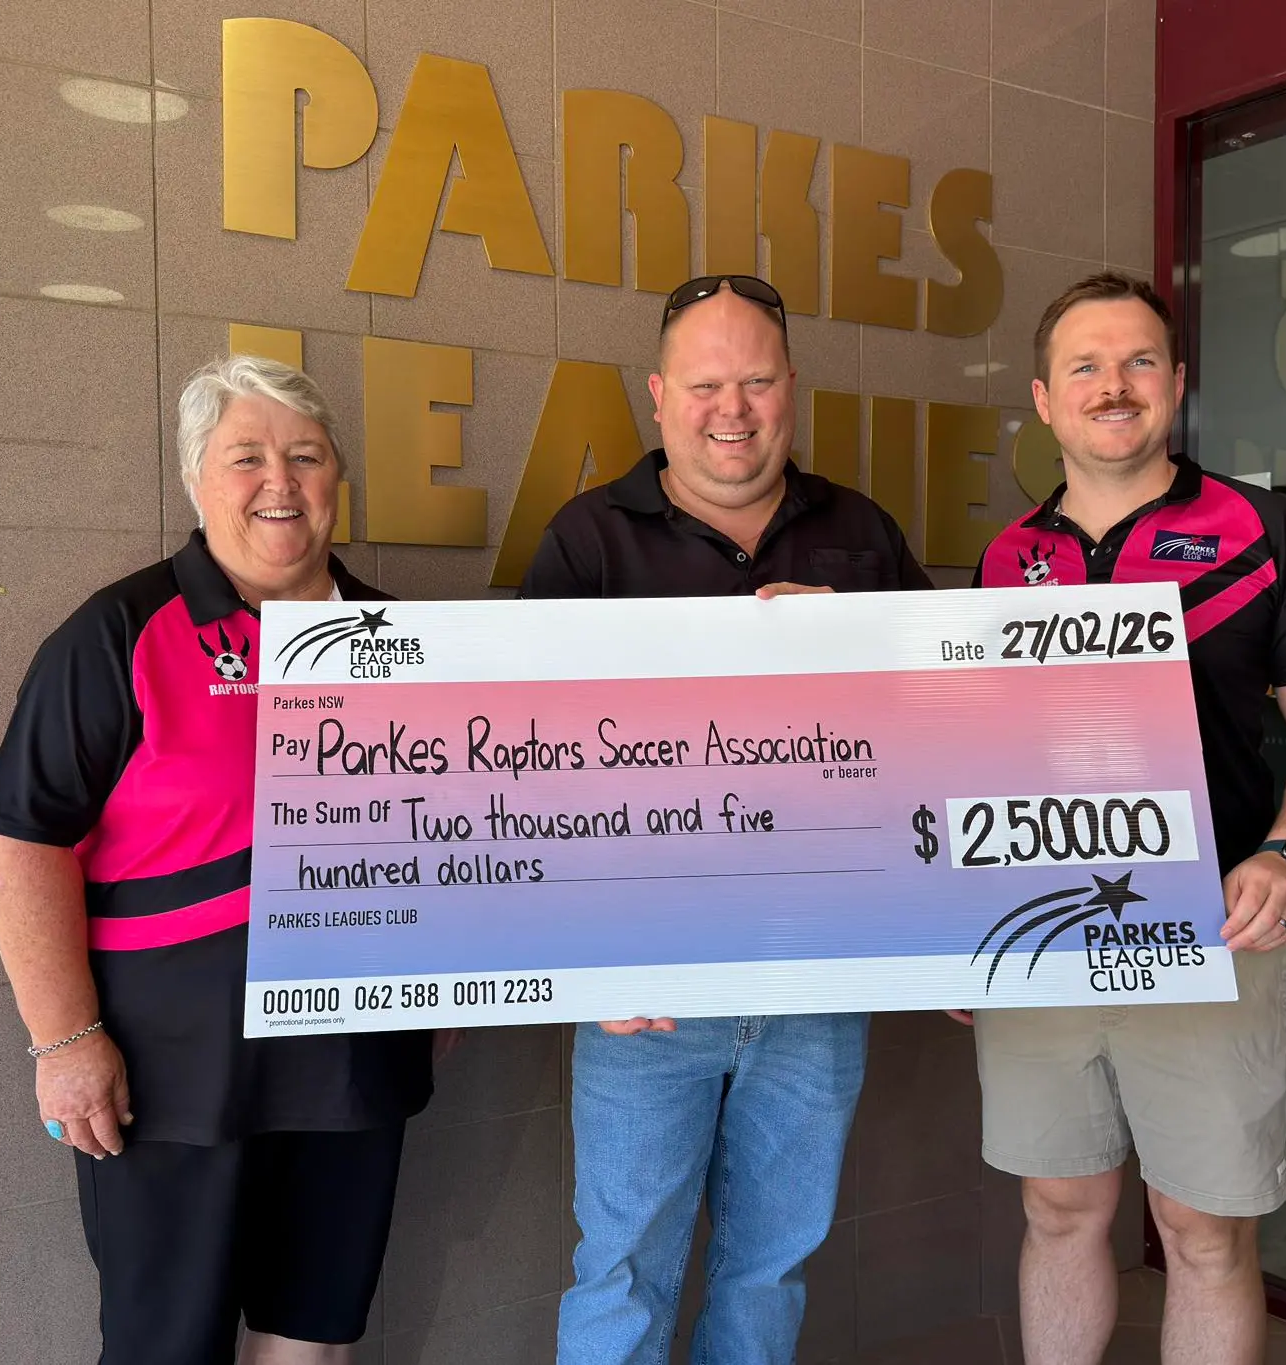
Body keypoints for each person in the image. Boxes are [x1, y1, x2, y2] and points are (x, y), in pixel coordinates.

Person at [0, 356, 434, 1365]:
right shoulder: (116, 634)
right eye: (246, 457)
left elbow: (471, 834)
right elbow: (25, 844)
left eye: (305, 456)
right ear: (195, 480)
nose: (280, 481)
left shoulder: (402, 643)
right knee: (164, 1349)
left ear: (335, 479)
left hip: (350, 1072)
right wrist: (63, 1042)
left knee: (312, 1341)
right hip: (168, 1085)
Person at [524, 275, 932, 1365]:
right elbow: (517, 775)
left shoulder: (861, 532)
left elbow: (944, 733)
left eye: (755, 380)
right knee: (620, 1278)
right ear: (659, 396)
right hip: (642, 992)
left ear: (790, 388)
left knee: (769, 1273)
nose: (732, 408)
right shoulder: (584, 542)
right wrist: (584, 961)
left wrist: (866, 642)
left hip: (817, 981)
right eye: (706, 384)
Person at [966, 273, 1286, 1365]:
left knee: (1201, 1231)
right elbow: (974, 762)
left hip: (1210, 930)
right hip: (1042, 937)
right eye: (1084, 367)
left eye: (1138, 361)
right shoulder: (1007, 561)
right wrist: (960, 938)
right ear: (1044, 402)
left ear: (1176, 385)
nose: (1113, 386)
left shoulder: (1256, 530)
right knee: (1057, 1207)